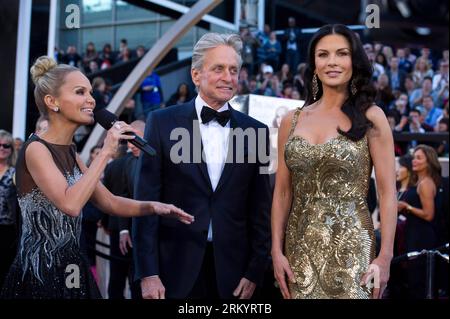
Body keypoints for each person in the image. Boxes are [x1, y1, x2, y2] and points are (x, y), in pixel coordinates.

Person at [0, 56, 193, 299]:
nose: (91, 99)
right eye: (80, 92)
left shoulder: (72, 153)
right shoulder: (35, 149)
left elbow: (109, 202)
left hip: (72, 268)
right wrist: (106, 152)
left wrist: (155, 206)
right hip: (41, 273)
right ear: (52, 101)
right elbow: (70, 204)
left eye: (90, 92)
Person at [133, 33, 272, 299]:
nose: (228, 77)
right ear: (196, 76)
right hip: (173, 268)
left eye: (233, 70)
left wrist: (255, 270)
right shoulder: (161, 123)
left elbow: (260, 207)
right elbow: (146, 202)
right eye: (218, 68)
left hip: (235, 273)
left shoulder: (256, 131)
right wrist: (148, 273)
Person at [271, 24, 397, 299]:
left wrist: (385, 256)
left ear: (354, 61)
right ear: (313, 63)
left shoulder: (371, 116)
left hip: (353, 252)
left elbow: (388, 193)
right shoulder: (291, 121)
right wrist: (276, 250)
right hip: (299, 252)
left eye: (341, 54)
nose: (332, 62)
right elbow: (282, 192)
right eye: (323, 54)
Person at [398, 145, 440, 299]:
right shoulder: (420, 182)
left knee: (419, 281)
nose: (414, 161)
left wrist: (406, 206)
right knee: (414, 279)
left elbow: (429, 214)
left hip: (422, 236)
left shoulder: (425, 184)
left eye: (418, 158)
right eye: (414, 157)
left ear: (428, 162)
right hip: (414, 233)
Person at [0, 130, 19, 289]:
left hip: (7, 230)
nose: (2, 148)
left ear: (11, 149)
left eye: (6, 145)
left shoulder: (15, 173)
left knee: (5, 270)